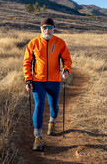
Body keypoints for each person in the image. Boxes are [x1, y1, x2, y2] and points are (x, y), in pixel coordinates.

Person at [23, 17, 72, 151]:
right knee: (39, 105)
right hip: (38, 81)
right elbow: (27, 62)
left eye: (50, 27)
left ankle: (52, 122)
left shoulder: (60, 42)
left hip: (54, 80)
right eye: (45, 27)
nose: (47, 30)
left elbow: (67, 59)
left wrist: (66, 69)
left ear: (53, 29)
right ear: (41, 29)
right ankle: (38, 136)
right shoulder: (33, 43)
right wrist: (28, 79)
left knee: (54, 106)